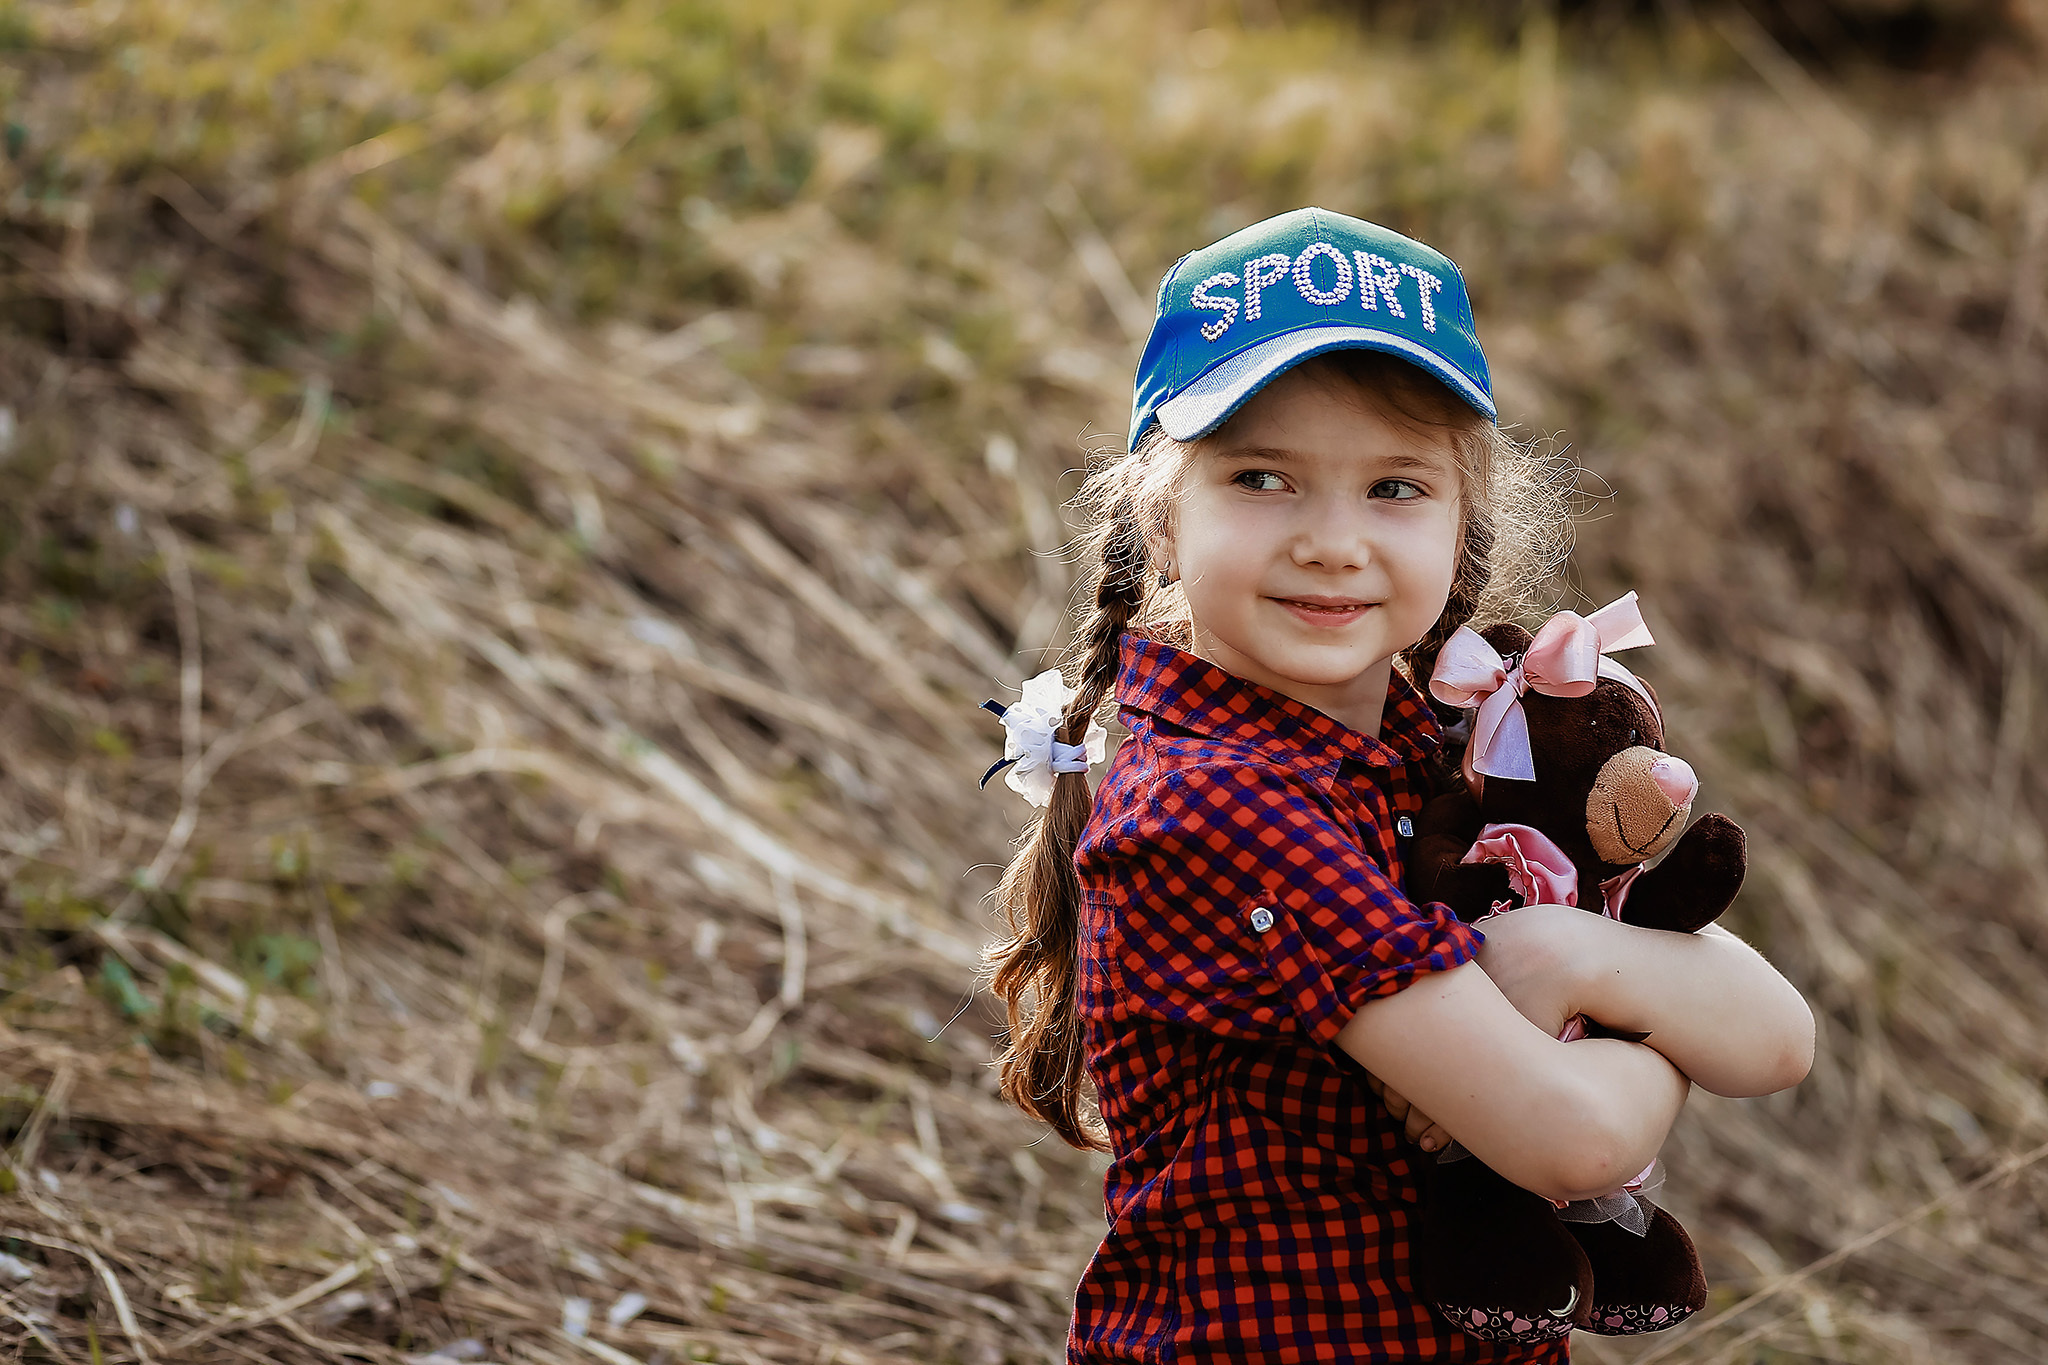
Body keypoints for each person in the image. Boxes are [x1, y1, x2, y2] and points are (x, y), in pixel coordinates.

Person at [980, 208, 1814, 1362]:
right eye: (1261, 477)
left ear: (1463, 525)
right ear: (1160, 521)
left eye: (1392, 486)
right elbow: (1571, 1142)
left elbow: (1776, 1039)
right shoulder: (1216, 806)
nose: (1332, 541)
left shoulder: (1446, 748)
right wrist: (1647, 1024)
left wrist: (1566, 955)